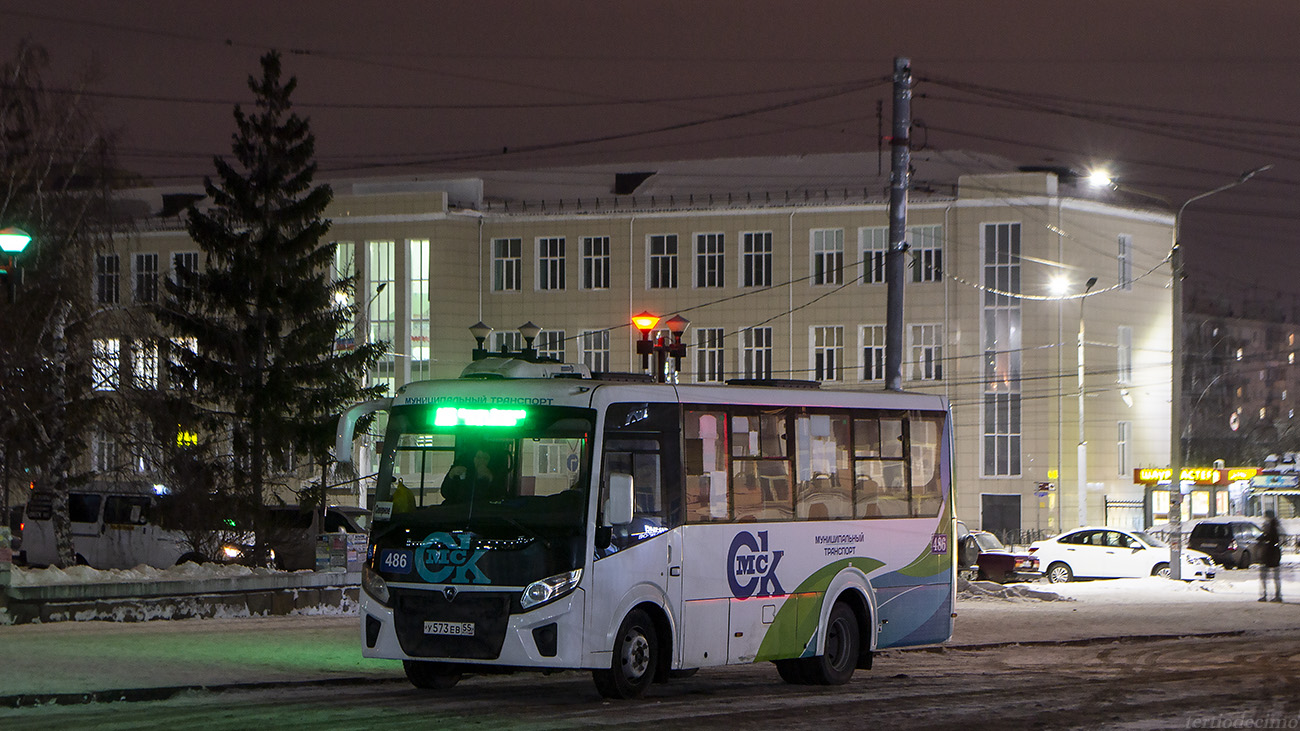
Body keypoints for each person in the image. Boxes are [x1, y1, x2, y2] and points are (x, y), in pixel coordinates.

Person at [1257, 510, 1284, 602]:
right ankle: (1277, 595)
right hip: (1275, 553)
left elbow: (1267, 537)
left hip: (1268, 553)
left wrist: (1262, 539)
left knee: (1264, 575)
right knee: (1275, 576)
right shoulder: (1277, 526)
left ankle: (1265, 595)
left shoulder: (1270, 527)